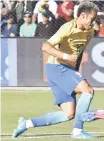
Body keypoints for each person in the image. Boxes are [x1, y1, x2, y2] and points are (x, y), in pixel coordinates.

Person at [12, 1, 99, 139]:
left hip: (65, 70)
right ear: (82, 16)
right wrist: (66, 56)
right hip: (56, 67)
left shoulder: (90, 32)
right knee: (87, 91)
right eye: (92, 19)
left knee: (69, 113)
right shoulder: (67, 28)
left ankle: (26, 123)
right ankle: (78, 131)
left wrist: (74, 70)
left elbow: (80, 52)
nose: (94, 22)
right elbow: (45, 46)